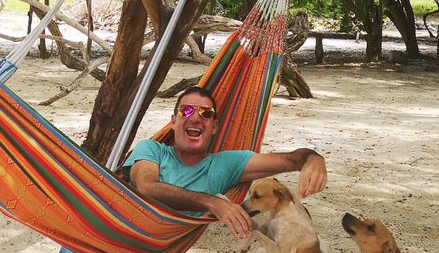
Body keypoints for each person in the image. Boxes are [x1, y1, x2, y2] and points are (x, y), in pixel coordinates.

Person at [122, 85, 326, 239]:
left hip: (164, 250)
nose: (195, 117)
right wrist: (211, 202)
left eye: (206, 114)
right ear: (174, 121)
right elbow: (146, 187)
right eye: (186, 111)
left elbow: (290, 159)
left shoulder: (224, 165)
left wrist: (312, 158)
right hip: (120, 232)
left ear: (214, 126)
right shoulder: (151, 149)